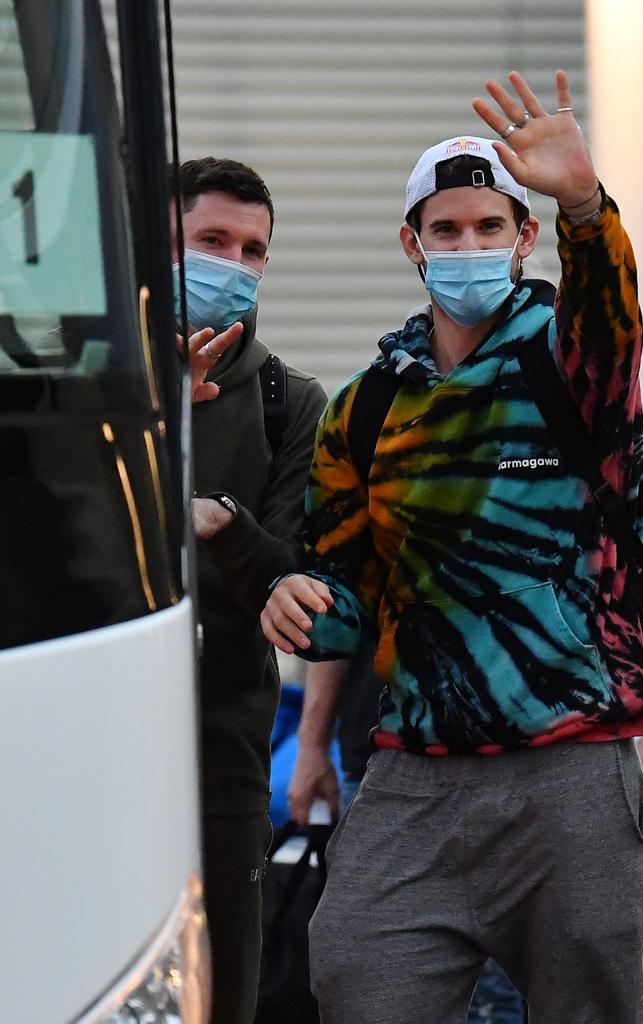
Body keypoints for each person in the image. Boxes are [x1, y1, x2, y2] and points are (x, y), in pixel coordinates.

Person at [261, 70, 643, 1024]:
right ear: (413, 243)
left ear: (524, 239)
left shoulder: (571, 360)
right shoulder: (365, 407)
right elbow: (347, 592)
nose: (469, 247)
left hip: (571, 761)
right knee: (356, 974)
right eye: (447, 230)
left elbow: (613, 317)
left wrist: (581, 204)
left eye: (491, 227)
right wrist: (297, 601)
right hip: (414, 772)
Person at [171, 157, 328, 1024]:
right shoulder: (89, 387)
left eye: (254, 250)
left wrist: (222, 520)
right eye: (212, 241)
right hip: (85, 743)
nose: (235, 264)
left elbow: (288, 579)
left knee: (221, 994)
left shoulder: (288, 401)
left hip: (222, 756)